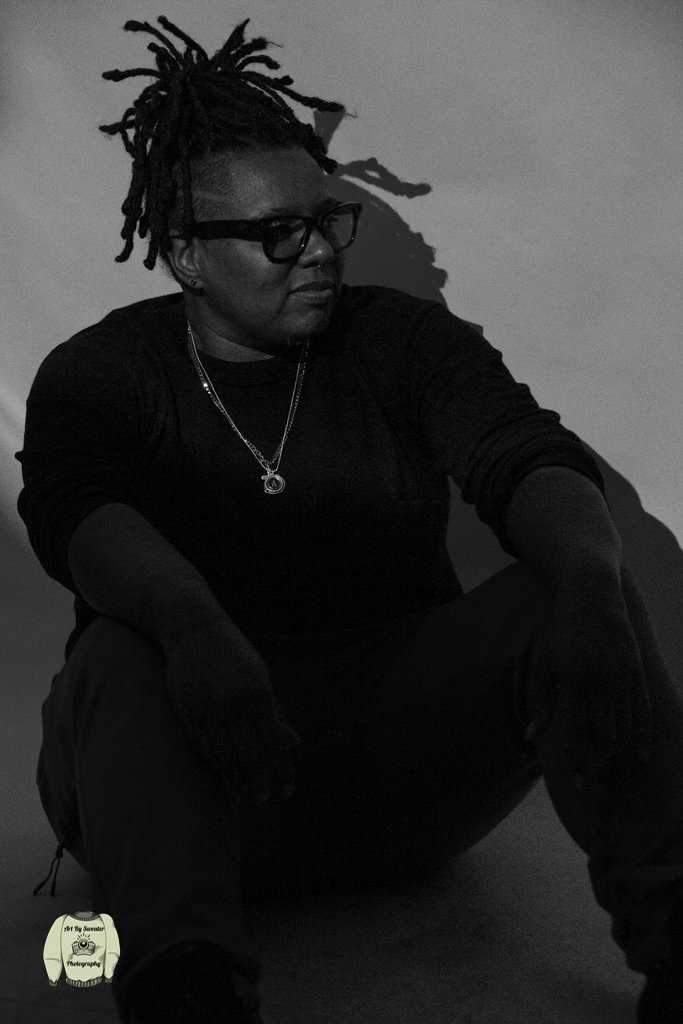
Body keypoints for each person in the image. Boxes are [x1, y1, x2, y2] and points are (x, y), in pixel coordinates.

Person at [16, 15, 683, 1024]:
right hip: (191, 793)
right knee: (121, 649)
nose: (319, 251)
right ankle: (185, 988)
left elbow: (521, 454)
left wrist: (593, 587)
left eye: (326, 220)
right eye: (278, 234)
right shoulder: (103, 373)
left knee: (572, 583)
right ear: (186, 254)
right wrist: (192, 625)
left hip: (392, 790)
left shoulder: (397, 340)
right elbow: (75, 513)